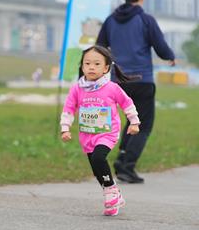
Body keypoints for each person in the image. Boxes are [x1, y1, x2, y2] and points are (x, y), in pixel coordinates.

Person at [96, 0, 175, 184]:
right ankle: (127, 165)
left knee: (131, 120)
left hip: (117, 83)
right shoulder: (145, 20)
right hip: (142, 81)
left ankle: (122, 160)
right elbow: (161, 47)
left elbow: (99, 48)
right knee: (143, 124)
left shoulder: (110, 21)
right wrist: (171, 57)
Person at [60, 45, 140, 216]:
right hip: (87, 135)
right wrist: (65, 128)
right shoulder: (77, 88)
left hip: (107, 133)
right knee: (97, 169)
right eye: (87, 63)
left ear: (106, 68)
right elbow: (69, 108)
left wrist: (134, 122)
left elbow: (127, 103)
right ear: (82, 66)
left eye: (96, 64)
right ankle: (114, 198)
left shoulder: (112, 88)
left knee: (99, 157)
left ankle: (110, 190)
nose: (91, 67)